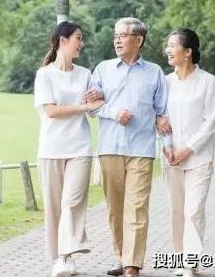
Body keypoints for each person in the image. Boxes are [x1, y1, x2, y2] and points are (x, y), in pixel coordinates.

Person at [88, 17, 171, 277]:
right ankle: (121, 258)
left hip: (141, 150)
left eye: (123, 35)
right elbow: (91, 105)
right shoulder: (102, 69)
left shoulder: (155, 72)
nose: (117, 40)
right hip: (110, 148)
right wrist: (114, 113)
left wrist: (167, 144)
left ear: (139, 39)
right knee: (115, 209)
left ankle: (132, 266)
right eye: (116, 35)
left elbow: (163, 113)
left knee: (136, 207)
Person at [33, 21, 102, 277]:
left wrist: (95, 101)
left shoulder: (85, 74)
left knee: (72, 203)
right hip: (51, 149)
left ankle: (65, 256)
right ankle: (60, 259)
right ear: (63, 41)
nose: (81, 43)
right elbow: (50, 111)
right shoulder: (45, 74)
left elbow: (94, 109)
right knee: (54, 207)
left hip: (80, 149)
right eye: (78, 38)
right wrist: (83, 107)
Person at [162, 29, 215, 277]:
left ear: (188, 52)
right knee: (177, 210)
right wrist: (167, 145)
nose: (168, 50)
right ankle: (179, 257)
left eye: (172, 45)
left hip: (199, 158)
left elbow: (210, 121)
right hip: (172, 158)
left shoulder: (208, 80)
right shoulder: (165, 82)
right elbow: (161, 120)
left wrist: (189, 148)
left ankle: (190, 263)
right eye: (168, 45)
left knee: (193, 210)